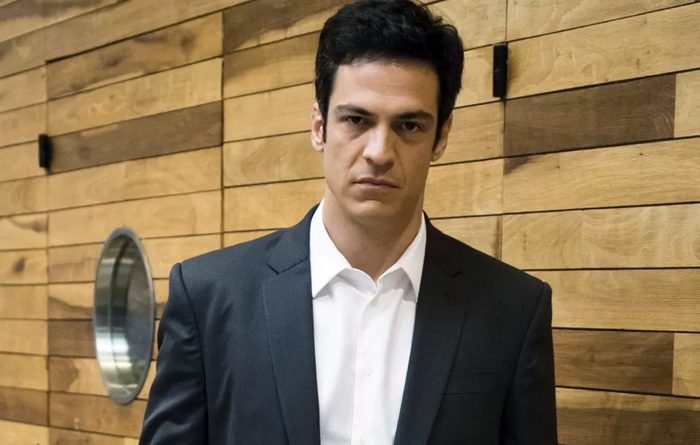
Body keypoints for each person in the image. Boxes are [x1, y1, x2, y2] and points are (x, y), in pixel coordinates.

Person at [139, 0, 557, 443]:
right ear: (319, 126)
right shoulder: (209, 297)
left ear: (441, 137)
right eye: (356, 120)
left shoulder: (512, 309)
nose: (379, 152)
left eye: (409, 126)